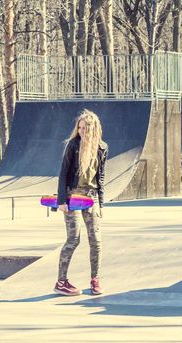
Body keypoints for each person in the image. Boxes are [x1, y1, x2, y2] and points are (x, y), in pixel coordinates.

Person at [54, 109, 108, 296]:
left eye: (85, 128)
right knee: (73, 239)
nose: (81, 131)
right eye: (80, 128)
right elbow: (63, 174)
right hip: (72, 197)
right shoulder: (72, 145)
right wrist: (61, 201)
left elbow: (101, 177)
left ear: (94, 129)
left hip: (91, 197)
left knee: (96, 240)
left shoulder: (102, 148)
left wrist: (101, 203)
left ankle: (95, 279)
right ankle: (61, 281)